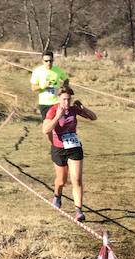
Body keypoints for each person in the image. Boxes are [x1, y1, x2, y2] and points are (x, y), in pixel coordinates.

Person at [42, 83, 97, 223]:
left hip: (74, 147)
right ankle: (57, 195)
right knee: (61, 181)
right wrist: (57, 116)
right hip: (59, 148)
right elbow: (45, 130)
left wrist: (82, 108)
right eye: (64, 99)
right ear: (59, 99)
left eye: (69, 99)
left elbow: (93, 117)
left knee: (77, 179)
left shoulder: (73, 109)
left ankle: (79, 211)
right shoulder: (52, 110)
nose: (67, 102)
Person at [30, 50, 69, 120]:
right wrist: (43, 86)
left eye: (51, 61)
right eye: (46, 61)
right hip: (45, 103)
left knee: (59, 126)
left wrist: (63, 88)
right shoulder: (37, 71)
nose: (49, 63)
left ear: (53, 60)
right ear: (42, 61)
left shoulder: (57, 70)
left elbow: (66, 79)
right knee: (48, 128)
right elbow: (33, 88)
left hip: (57, 102)